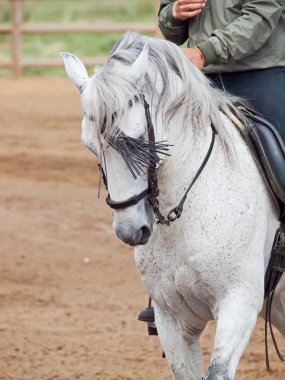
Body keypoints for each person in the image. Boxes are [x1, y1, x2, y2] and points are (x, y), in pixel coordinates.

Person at [138, 0, 285, 328]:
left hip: (259, 74)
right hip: (199, 76)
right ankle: (164, 286)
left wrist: (205, 51)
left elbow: (262, 17)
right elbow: (168, 22)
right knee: (161, 160)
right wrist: (174, 14)